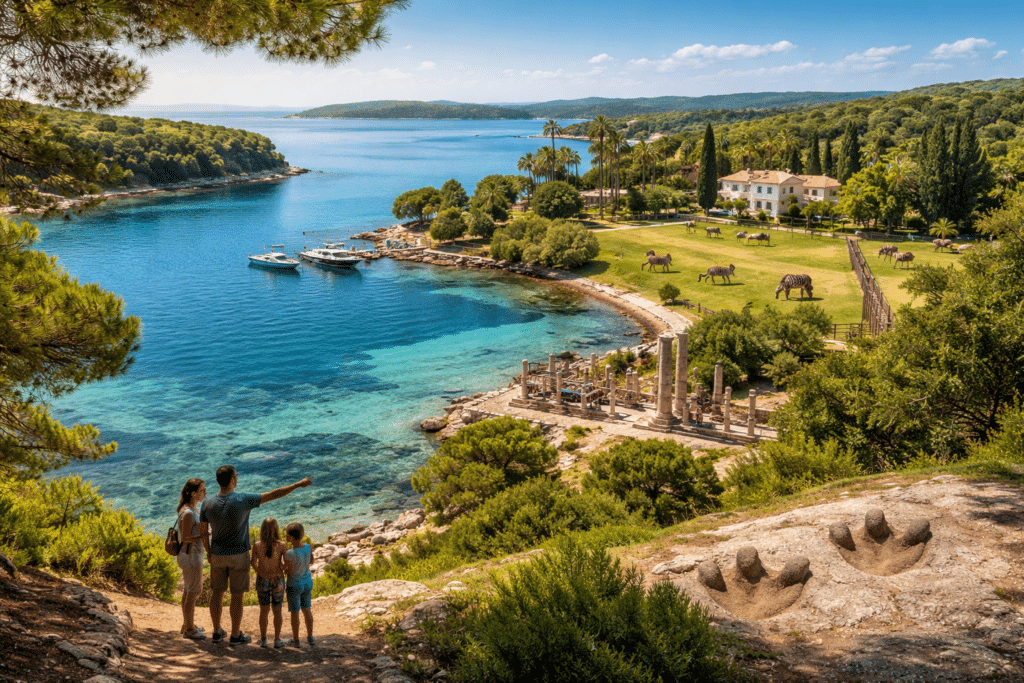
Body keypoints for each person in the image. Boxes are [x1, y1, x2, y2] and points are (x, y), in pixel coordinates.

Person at [199, 465, 312, 645]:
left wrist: (208, 552)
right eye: (236, 475)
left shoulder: (207, 503)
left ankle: (216, 631)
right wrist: (297, 484)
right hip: (239, 556)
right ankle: (235, 635)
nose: (238, 477)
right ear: (232, 480)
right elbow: (275, 494)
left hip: (217, 555)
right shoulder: (243, 499)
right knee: (237, 595)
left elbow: (203, 531)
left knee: (217, 593)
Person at [176, 478, 210, 640]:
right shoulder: (189, 513)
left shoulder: (190, 508)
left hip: (188, 556)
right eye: (202, 490)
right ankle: (189, 629)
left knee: (188, 591)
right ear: (193, 493)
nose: (205, 493)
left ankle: (187, 624)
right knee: (194, 591)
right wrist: (204, 534)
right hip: (190, 556)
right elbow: (186, 538)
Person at [250, 517, 287, 648]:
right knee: (277, 611)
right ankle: (277, 640)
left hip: (262, 580)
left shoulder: (257, 545)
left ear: (262, 530)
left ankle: (264, 639)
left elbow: (253, 563)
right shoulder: (282, 545)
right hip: (278, 579)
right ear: (276, 529)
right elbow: (285, 564)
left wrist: (263, 574)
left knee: (264, 611)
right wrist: (278, 571)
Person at [284, 522, 315, 647]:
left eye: (286, 534)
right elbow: (311, 561)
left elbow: (290, 571)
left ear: (290, 537)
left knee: (295, 612)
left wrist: (284, 570)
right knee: (307, 610)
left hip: (295, 584)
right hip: (307, 582)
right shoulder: (308, 547)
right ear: (302, 535)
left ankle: (296, 640)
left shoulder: (289, 553)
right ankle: (310, 637)